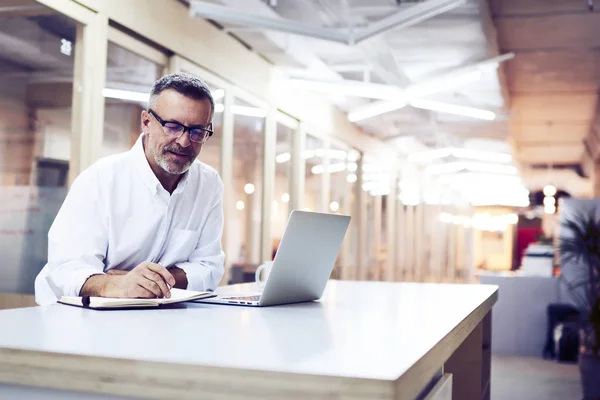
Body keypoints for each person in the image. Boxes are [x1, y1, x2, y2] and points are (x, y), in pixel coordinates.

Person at [34, 73, 224, 305]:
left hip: (155, 319)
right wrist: (115, 284)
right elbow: (65, 269)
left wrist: (149, 282)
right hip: (74, 318)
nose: (185, 142)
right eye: (173, 126)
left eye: (197, 132)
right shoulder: (100, 180)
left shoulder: (209, 183)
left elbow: (209, 268)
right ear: (146, 122)